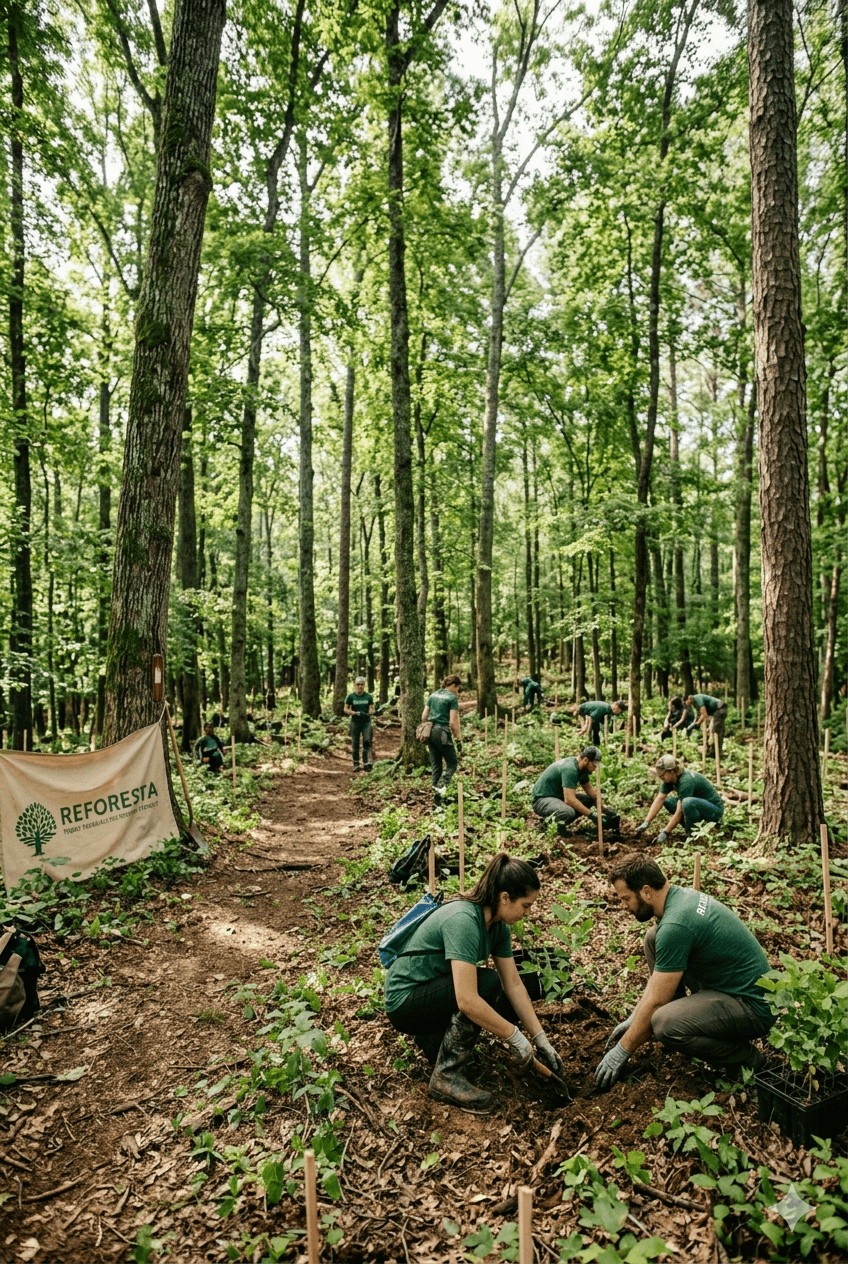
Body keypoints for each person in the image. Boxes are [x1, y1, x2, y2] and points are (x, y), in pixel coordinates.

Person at [385, 853, 565, 1113]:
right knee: (487, 984)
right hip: (405, 1001)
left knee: (496, 987)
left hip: (431, 992)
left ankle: (436, 1046)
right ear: (505, 897)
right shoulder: (464, 920)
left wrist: (540, 1039)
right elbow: (466, 1000)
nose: (529, 912)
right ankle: (445, 1076)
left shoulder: (498, 928)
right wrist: (515, 1037)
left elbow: (514, 984)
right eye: (526, 905)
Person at [594, 853, 774, 1089]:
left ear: (646, 891)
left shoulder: (676, 925)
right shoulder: (680, 898)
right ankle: (683, 1015)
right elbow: (658, 990)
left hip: (753, 1006)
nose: (624, 906)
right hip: (726, 987)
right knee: (652, 938)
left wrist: (622, 1050)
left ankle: (747, 1059)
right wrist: (637, 1016)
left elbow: (657, 1001)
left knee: (664, 1023)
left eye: (626, 898)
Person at [634, 753, 724, 842]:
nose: (660, 777)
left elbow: (680, 809)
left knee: (687, 803)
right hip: (698, 806)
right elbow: (660, 798)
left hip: (714, 811)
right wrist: (646, 822)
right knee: (669, 802)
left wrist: (666, 831)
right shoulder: (669, 779)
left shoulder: (686, 781)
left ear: (672, 771)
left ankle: (692, 834)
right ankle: (695, 827)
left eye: (663, 774)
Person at [531, 745, 614, 835]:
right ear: (585, 760)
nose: (595, 768)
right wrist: (592, 816)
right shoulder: (570, 769)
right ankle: (554, 826)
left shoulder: (582, 769)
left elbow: (591, 793)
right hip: (542, 800)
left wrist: (604, 810)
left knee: (588, 800)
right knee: (567, 812)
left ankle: (557, 819)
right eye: (594, 764)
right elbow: (569, 800)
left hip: (557, 798)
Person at [421, 674, 462, 807]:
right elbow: (453, 722)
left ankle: (436, 796)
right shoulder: (451, 698)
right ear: (454, 685)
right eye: (458, 688)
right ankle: (442, 786)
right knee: (452, 762)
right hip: (442, 732)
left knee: (436, 764)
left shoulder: (433, 695)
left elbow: (424, 716)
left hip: (431, 732)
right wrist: (458, 739)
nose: (457, 691)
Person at [344, 676, 374, 772]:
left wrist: (370, 712)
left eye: (362, 684)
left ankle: (366, 762)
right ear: (354, 685)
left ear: (364, 685)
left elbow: (371, 708)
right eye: (358, 684)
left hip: (366, 722)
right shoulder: (351, 696)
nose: (360, 686)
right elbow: (345, 709)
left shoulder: (368, 696)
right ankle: (356, 764)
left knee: (367, 741)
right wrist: (353, 713)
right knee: (355, 743)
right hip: (355, 722)